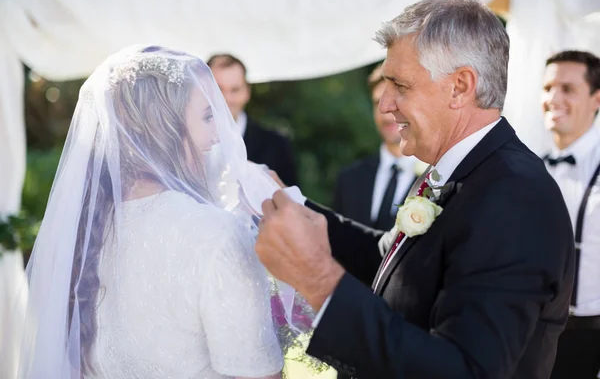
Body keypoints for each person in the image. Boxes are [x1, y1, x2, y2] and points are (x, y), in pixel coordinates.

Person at [256, 0, 575, 378]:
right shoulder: (455, 169)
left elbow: (465, 370)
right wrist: (286, 202)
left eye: (400, 85)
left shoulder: (514, 197)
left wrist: (319, 281)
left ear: (460, 86)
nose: (384, 105)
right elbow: (392, 266)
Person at [0, 45, 313, 378]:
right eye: (208, 116)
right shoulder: (218, 235)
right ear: (168, 126)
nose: (219, 132)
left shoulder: (86, 231)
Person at [541, 50, 600, 379]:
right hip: (532, 336)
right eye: (548, 87)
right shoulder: (530, 167)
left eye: (567, 89)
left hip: (589, 339)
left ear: (596, 99)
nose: (553, 98)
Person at [333, 63, 419, 230]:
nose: (386, 114)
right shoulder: (349, 179)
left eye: (394, 102)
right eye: (378, 102)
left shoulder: (438, 177)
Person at [207, 54, 298, 186]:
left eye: (235, 90)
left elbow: (294, 202)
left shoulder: (276, 145)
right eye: (218, 89)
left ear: (247, 92)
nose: (226, 99)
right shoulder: (181, 141)